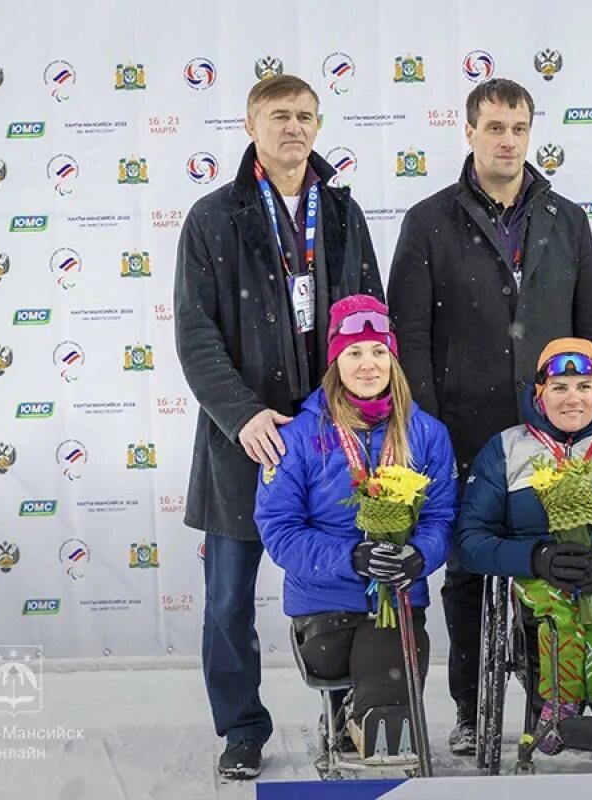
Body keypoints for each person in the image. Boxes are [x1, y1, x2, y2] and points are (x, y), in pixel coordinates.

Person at [387, 78, 592, 754]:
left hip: (556, 427)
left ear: (530, 131)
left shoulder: (566, 218)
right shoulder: (429, 221)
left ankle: (552, 705)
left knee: (556, 566)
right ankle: (469, 709)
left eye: (518, 126)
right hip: (464, 427)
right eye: (494, 127)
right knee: (469, 572)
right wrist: (425, 430)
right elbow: (410, 335)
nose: (507, 139)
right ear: (469, 132)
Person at [174, 74, 382, 779]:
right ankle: (240, 728)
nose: (293, 127)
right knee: (230, 599)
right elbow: (196, 335)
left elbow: (370, 327)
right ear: (250, 125)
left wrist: (348, 413)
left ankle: (350, 708)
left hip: (332, 440)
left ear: (318, 127)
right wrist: (242, 414)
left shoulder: (346, 214)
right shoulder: (213, 218)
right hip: (246, 442)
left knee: (347, 585)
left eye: (304, 116)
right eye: (279, 116)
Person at [254, 296, 457, 762]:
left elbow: (441, 518)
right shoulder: (297, 436)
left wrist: (418, 556)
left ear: (393, 359)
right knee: (382, 668)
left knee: (391, 698)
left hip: (398, 606)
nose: (368, 365)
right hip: (325, 611)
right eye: (354, 353)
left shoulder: (425, 433)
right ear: (335, 363)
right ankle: (364, 715)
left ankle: (370, 723)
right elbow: (280, 529)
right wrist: (352, 558)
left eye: (378, 352)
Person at [457, 338, 592, 755]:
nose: (573, 398)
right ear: (539, 392)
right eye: (559, 387)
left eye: (583, 385)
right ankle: (559, 703)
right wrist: (535, 557)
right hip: (540, 576)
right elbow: (471, 541)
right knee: (558, 611)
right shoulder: (506, 448)